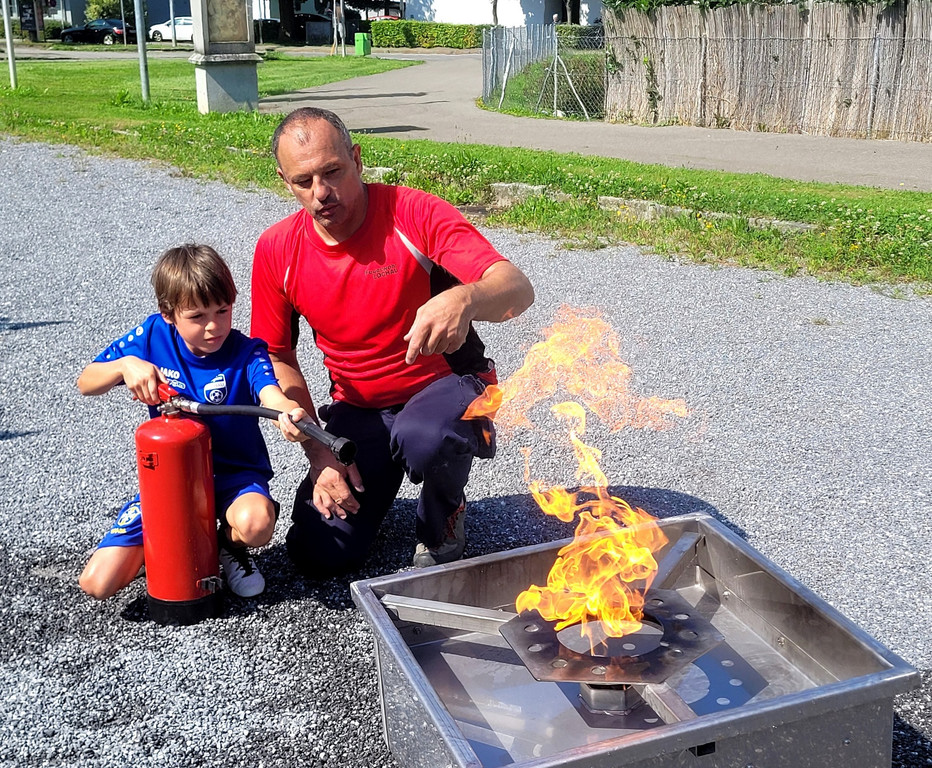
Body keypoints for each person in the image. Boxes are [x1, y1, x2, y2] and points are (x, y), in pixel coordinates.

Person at [251, 107, 535, 576]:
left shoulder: (412, 212)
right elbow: (276, 354)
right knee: (319, 554)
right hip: (360, 408)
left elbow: (517, 289)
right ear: (284, 180)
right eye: (304, 181)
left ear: (357, 160)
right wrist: (320, 451)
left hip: (447, 387)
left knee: (424, 436)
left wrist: (465, 298)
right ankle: (373, 490)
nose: (321, 193)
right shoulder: (278, 248)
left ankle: (444, 513)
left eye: (333, 172)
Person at [78, 244, 310, 600]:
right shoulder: (153, 335)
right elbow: (86, 381)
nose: (214, 326)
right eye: (197, 316)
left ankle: (226, 546)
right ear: (168, 314)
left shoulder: (248, 353)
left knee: (257, 524)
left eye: (223, 310)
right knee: (97, 584)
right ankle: (172, 548)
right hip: (171, 481)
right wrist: (124, 366)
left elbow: (270, 392)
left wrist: (287, 412)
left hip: (234, 477)